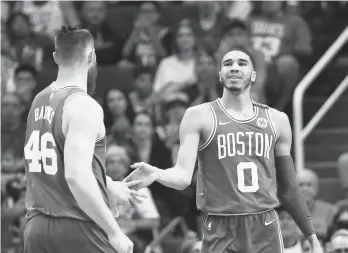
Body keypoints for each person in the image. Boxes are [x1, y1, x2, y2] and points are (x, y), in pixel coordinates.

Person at [125, 48, 323, 253]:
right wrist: (157, 173)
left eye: (242, 63)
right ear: (220, 75)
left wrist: (312, 237)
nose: (234, 68)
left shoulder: (277, 120)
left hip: (264, 225)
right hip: (220, 225)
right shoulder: (198, 115)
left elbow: (289, 186)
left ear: (254, 74)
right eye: (228, 64)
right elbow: (183, 176)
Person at [23, 25, 146, 253]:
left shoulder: (38, 101)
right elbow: (75, 175)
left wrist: (106, 184)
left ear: (55, 57)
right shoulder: (84, 105)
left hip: (36, 229)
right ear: (92, 56)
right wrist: (114, 232)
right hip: (77, 228)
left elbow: (56, 162)